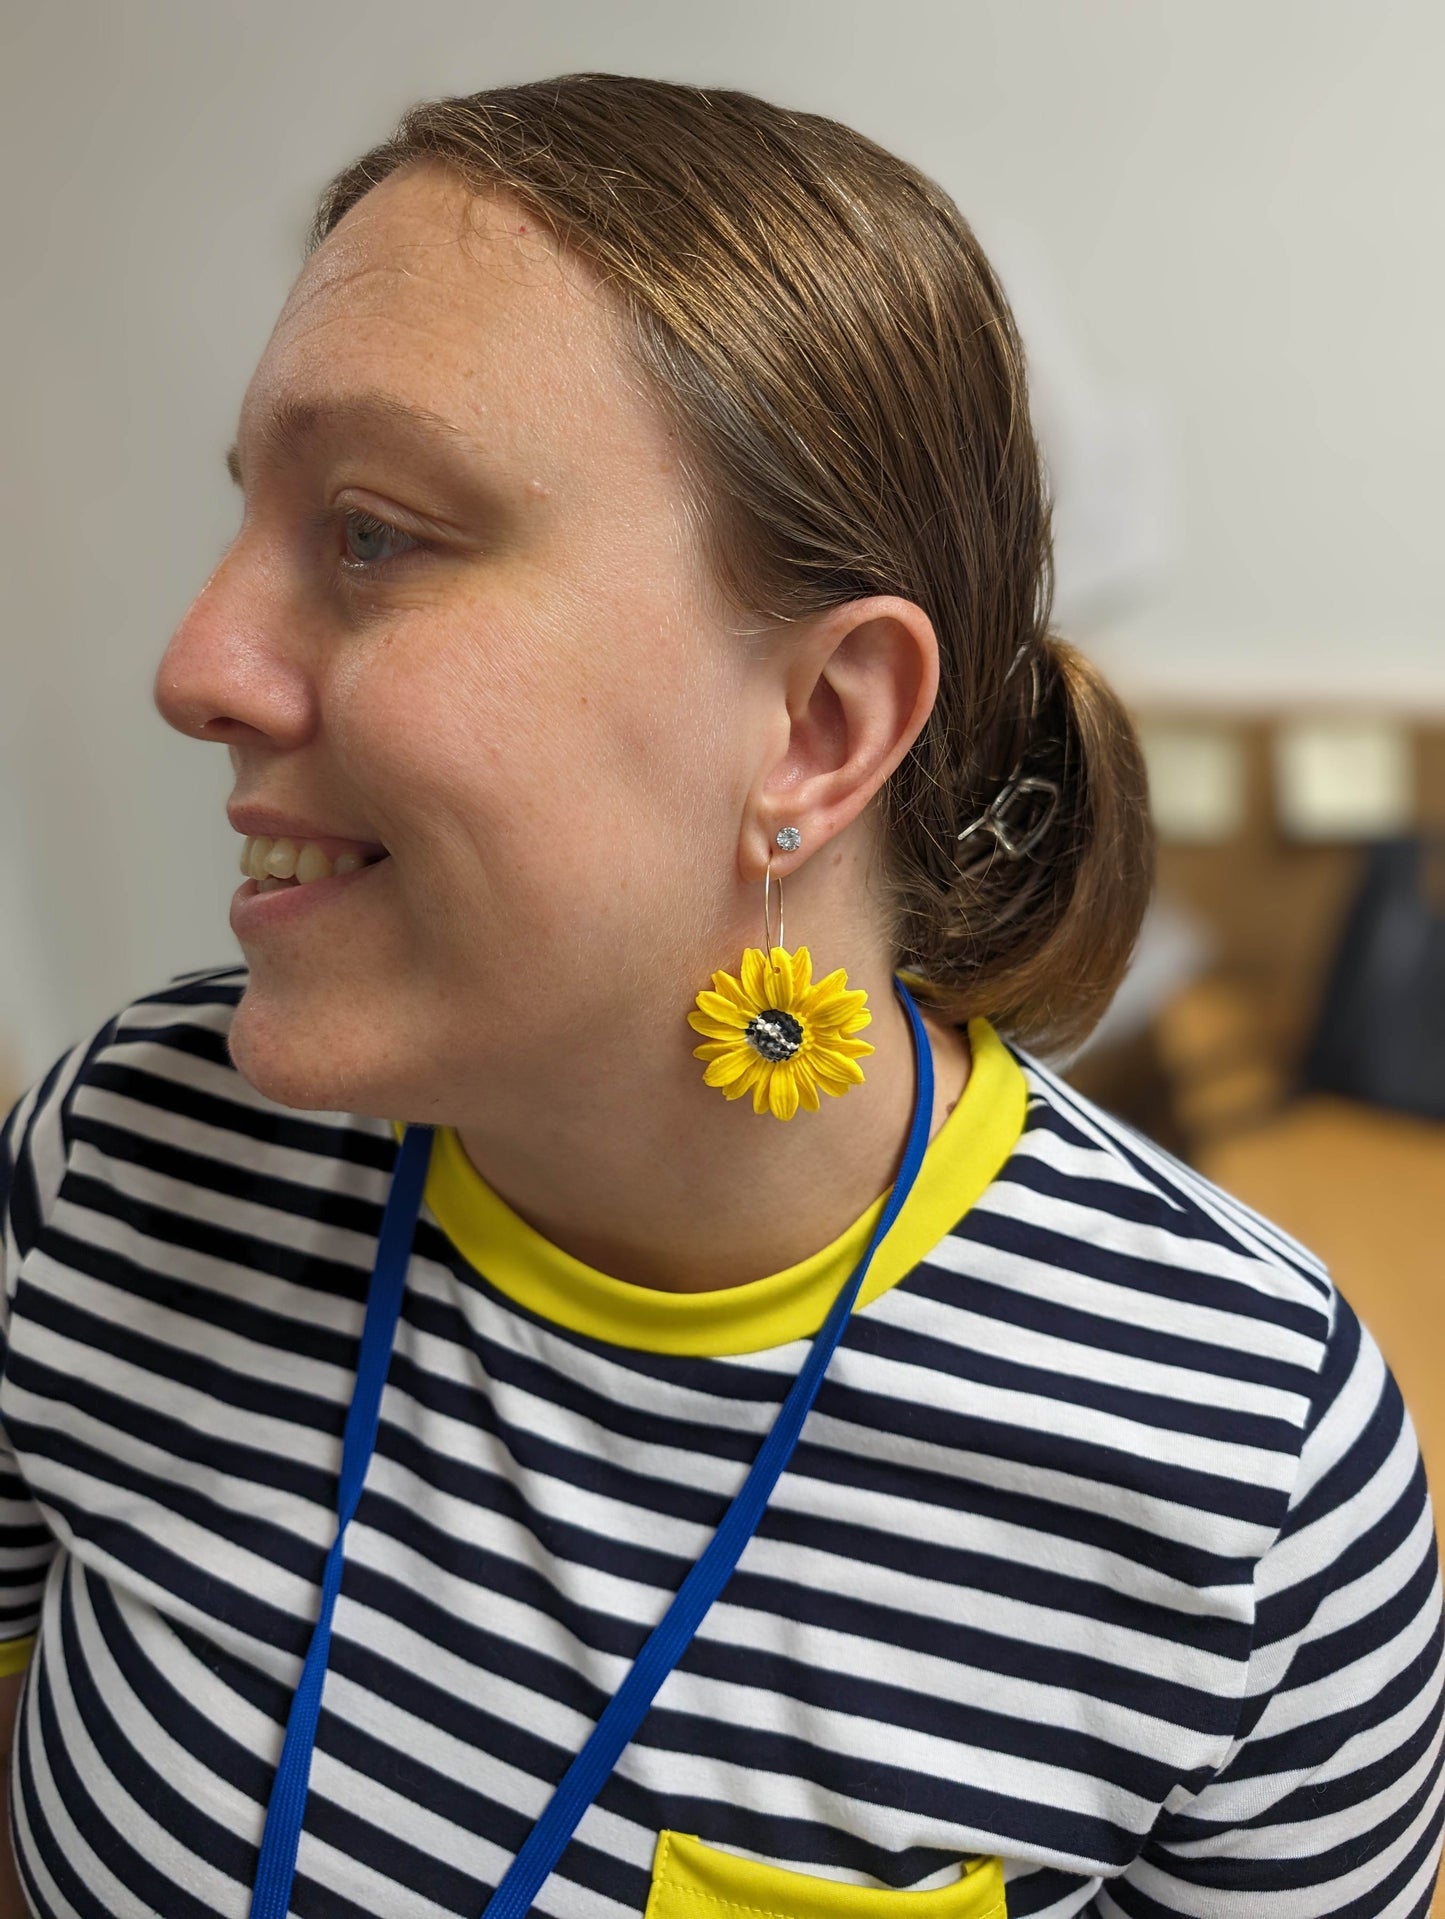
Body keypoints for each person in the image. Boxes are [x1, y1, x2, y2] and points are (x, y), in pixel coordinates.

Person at [0, 71, 1440, 1919]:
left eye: (371, 531)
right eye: (248, 526)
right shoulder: (121, 1160)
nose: (197, 665)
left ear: (817, 728)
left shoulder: (1242, 1473)